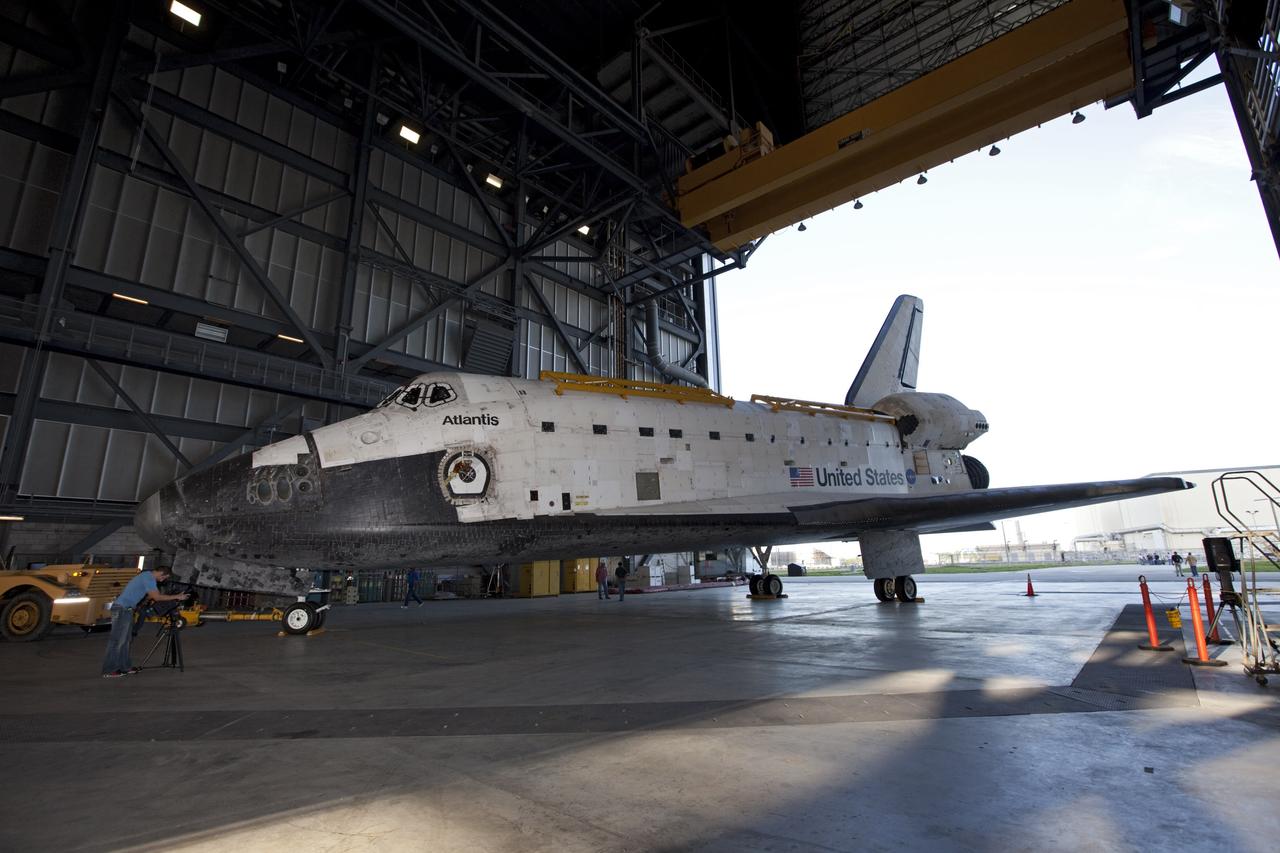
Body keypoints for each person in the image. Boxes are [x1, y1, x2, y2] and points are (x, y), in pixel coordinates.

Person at [101, 565, 187, 678]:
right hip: (122, 610)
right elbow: (156, 597)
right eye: (164, 577)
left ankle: (125, 667)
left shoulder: (145, 576)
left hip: (127, 610)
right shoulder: (148, 578)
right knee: (117, 641)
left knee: (126, 641)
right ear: (162, 574)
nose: (163, 580)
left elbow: (145, 595)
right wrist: (177, 597)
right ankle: (109, 670)